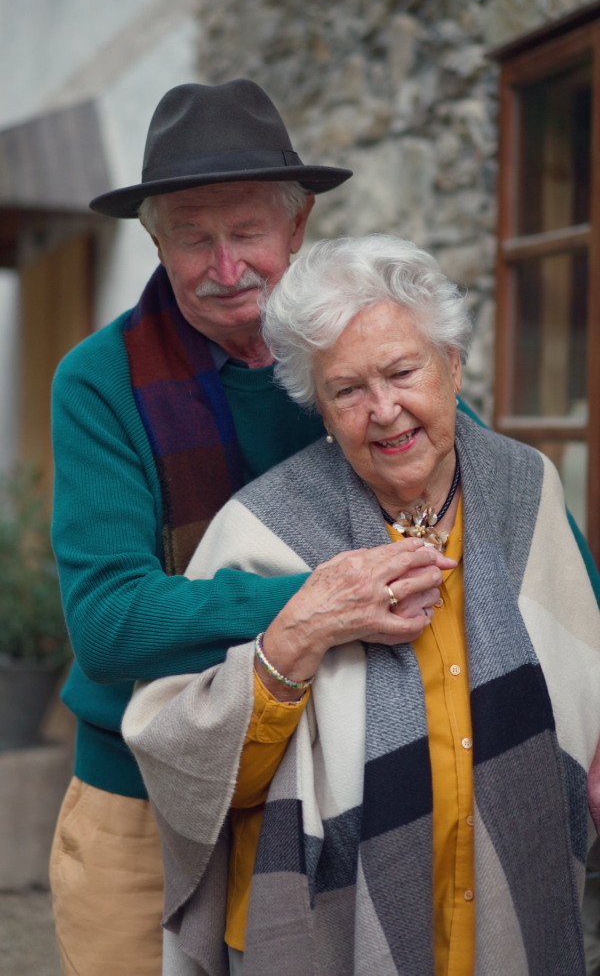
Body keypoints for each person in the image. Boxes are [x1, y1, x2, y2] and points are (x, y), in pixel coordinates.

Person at [50, 82, 460, 976]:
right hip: (141, 794)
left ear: (298, 224)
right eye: (193, 235)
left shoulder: (346, 354)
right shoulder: (99, 382)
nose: (224, 265)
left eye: (247, 232)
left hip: (332, 778)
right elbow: (110, 622)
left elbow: (486, 485)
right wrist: (316, 605)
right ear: (156, 240)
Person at [124, 235, 600, 976]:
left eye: (404, 371)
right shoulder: (263, 527)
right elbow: (203, 781)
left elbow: (582, 662)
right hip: (333, 928)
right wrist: (302, 632)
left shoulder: (523, 487)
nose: (383, 410)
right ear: (319, 406)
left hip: (507, 907)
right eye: (347, 389)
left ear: (452, 363)